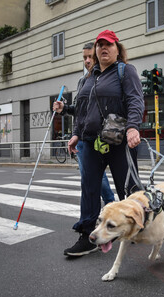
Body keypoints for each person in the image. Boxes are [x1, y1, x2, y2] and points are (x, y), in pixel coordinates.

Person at [54, 30, 144, 256]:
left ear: (117, 49)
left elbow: (135, 100)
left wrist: (133, 126)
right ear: (95, 50)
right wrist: (76, 133)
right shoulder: (88, 78)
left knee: (129, 188)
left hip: (118, 140)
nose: (104, 48)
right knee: (89, 188)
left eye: (109, 45)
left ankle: (136, 228)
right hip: (91, 142)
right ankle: (87, 235)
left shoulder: (125, 71)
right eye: (100, 45)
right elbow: (83, 111)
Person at [55, 43, 115, 205]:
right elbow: (80, 110)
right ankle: (99, 211)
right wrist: (64, 109)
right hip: (81, 137)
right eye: (84, 58)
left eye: (90, 57)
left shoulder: (106, 78)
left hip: (100, 136)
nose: (87, 61)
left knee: (94, 176)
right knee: (89, 177)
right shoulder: (83, 81)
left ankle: (110, 204)